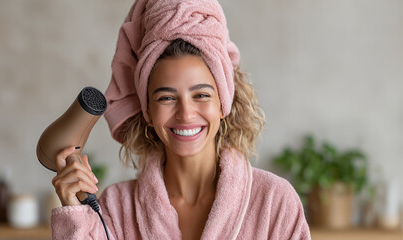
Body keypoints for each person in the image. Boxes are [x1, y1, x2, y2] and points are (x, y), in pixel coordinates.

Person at [51, 0, 311, 239]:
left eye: (201, 95)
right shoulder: (117, 207)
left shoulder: (274, 202)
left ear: (223, 102)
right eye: (166, 98)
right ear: (148, 111)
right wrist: (76, 218)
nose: (185, 114)